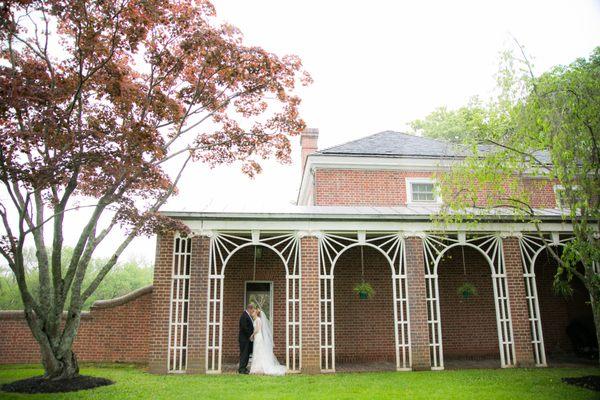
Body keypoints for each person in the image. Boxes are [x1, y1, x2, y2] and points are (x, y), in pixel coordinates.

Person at [249, 308, 286, 375]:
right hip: (257, 337)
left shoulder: (258, 320)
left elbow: (257, 329)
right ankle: (256, 367)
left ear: (256, 313)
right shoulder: (256, 320)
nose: (252, 313)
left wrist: (252, 335)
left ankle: (259, 367)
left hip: (258, 336)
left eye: (253, 312)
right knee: (257, 351)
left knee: (259, 351)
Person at [238, 303, 254, 374]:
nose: (252, 312)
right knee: (244, 354)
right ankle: (241, 369)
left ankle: (244, 368)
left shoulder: (247, 315)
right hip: (244, 339)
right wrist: (250, 336)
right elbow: (244, 328)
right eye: (252, 310)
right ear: (249, 309)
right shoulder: (244, 315)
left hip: (246, 339)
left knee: (246, 354)